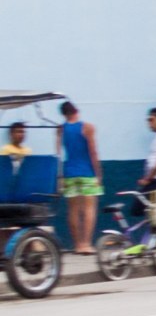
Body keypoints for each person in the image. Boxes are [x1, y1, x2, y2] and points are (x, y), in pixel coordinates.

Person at [55, 100, 99, 249]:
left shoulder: (61, 129)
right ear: (76, 111)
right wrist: (99, 173)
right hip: (87, 172)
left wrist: (59, 175)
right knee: (88, 208)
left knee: (73, 210)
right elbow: (93, 152)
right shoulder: (87, 127)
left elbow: (58, 153)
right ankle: (86, 243)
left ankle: (77, 245)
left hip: (70, 173)